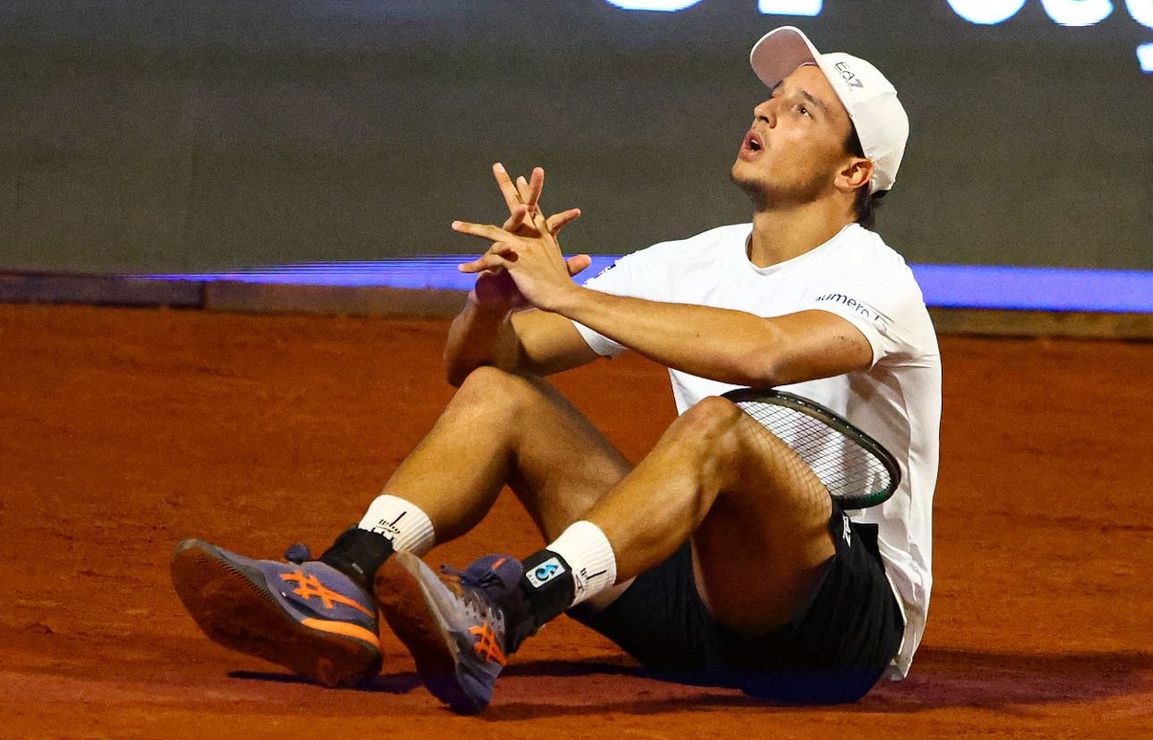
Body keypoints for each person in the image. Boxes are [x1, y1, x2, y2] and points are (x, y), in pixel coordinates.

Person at [171, 25, 940, 714]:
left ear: (853, 173)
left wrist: (569, 295)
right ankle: (344, 578)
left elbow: (762, 353)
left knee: (720, 425)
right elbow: (476, 365)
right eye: (772, 98)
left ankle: (506, 608)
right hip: (691, 597)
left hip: (832, 625)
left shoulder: (878, 280)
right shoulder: (690, 261)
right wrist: (495, 304)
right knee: (501, 395)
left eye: (804, 110)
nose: (766, 113)